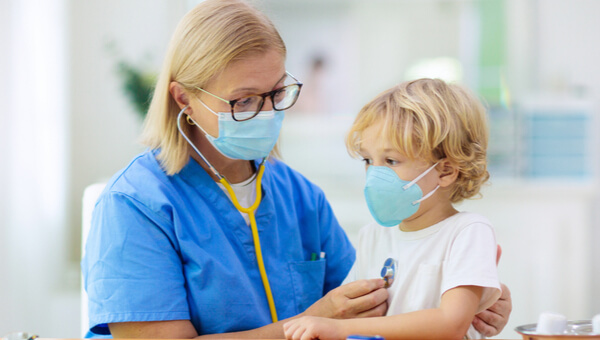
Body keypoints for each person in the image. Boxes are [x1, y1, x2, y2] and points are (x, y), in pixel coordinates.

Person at [81, 0, 511, 338]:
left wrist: (470, 295)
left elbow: (371, 306)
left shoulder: (299, 195)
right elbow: (332, 318)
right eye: (244, 100)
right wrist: (313, 319)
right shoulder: (136, 206)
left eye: (277, 93)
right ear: (184, 100)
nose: (268, 113)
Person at [284, 79, 503, 340]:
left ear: (445, 171)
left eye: (391, 160)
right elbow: (355, 316)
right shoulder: (373, 236)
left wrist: (340, 328)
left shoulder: (467, 232)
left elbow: (451, 323)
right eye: (368, 160)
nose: (375, 174)